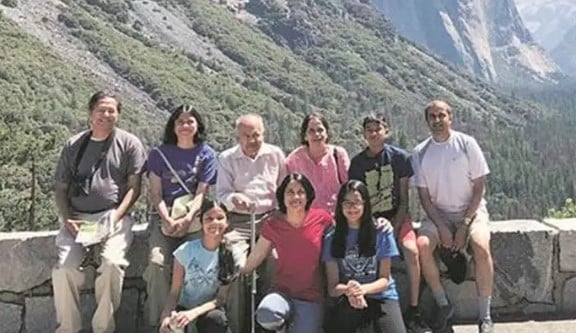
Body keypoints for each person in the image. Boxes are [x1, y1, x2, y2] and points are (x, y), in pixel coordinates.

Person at [52, 90, 147, 333]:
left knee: (112, 264)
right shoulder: (74, 145)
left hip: (113, 215)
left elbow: (134, 189)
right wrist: (67, 219)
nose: (106, 115)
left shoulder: (129, 144)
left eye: (111, 110)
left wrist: (115, 217)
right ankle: (68, 329)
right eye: (101, 110)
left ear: (118, 114)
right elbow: (61, 188)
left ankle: (103, 328)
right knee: (64, 270)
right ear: (90, 113)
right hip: (77, 218)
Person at [413, 100, 494, 333]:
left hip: (472, 210)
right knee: (423, 245)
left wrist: (465, 224)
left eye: (441, 115)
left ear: (451, 118)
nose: (437, 121)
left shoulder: (467, 144)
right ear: (427, 121)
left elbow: (479, 188)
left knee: (481, 246)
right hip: (438, 213)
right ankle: (443, 304)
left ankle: (485, 316)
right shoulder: (420, 152)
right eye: (432, 117)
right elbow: (424, 197)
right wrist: (441, 226)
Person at [348, 115, 430, 332]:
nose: (373, 133)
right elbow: (358, 200)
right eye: (369, 130)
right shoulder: (357, 164)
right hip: (369, 219)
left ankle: (414, 309)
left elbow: (404, 199)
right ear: (364, 134)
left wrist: (394, 226)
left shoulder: (400, 158)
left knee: (411, 251)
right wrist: (372, 224)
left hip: (398, 216)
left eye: (378, 129)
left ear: (387, 131)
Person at [144, 105, 218, 330]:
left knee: (194, 270)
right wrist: (167, 219)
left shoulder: (207, 154)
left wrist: (187, 219)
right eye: (180, 121)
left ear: (198, 125)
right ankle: (159, 324)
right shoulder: (158, 155)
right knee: (157, 266)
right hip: (164, 219)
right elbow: (155, 193)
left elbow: (201, 193)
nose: (185, 126)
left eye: (190, 121)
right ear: (173, 126)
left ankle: (190, 324)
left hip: (194, 221)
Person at [215, 114, 286, 332]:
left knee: (276, 261)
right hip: (239, 220)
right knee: (233, 261)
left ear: (263, 134)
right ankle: (236, 325)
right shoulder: (227, 158)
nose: (252, 140)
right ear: (238, 137)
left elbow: (283, 190)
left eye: (256, 135)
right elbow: (222, 193)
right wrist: (234, 199)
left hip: (270, 218)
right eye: (246, 136)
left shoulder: (275, 155)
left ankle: (270, 322)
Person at [240, 173, 333, 333]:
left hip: (311, 297)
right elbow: (255, 258)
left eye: (300, 192)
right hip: (282, 292)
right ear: (282, 196)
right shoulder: (273, 225)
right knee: (266, 315)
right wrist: (236, 272)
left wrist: (377, 225)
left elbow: (343, 235)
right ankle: (281, 328)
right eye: (290, 192)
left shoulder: (322, 219)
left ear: (308, 195)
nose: (295, 196)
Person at [322, 180, 406, 333]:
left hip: (381, 296)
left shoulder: (381, 231)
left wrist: (362, 289)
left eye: (356, 202)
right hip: (348, 297)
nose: (352, 207)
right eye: (347, 203)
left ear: (365, 204)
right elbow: (332, 287)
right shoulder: (332, 237)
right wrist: (350, 290)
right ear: (340, 205)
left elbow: (385, 279)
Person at [159, 199, 238, 333]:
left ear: (227, 222)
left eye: (220, 218)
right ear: (201, 222)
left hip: (209, 310)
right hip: (183, 308)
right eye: (209, 218)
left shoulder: (232, 253)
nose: (214, 223)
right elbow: (174, 293)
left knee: (216, 319)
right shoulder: (185, 251)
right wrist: (165, 319)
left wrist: (193, 313)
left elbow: (220, 298)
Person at [285, 113, 349, 213]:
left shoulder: (338, 155)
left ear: (327, 133)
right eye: (311, 131)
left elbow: (348, 187)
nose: (317, 134)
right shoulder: (295, 159)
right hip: (307, 219)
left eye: (320, 130)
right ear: (305, 136)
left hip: (335, 218)